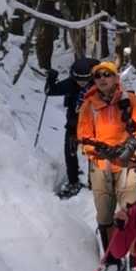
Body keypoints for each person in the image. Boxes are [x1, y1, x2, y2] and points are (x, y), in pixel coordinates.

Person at [76, 59, 136, 271]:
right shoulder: (89, 106)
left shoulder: (130, 100)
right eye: (98, 75)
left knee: (131, 213)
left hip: (127, 165)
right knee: (105, 215)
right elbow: (83, 138)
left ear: (116, 78)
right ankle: (113, 259)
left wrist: (133, 143)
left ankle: (135, 261)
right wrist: (101, 150)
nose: (102, 79)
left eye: (107, 74)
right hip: (100, 166)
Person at [45, 54, 99, 197]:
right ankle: (73, 181)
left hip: (94, 125)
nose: (81, 83)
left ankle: (94, 183)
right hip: (73, 124)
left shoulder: (99, 83)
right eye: (78, 80)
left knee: (94, 153)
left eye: (85, 80)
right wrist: (51, 78)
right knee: (70, 152)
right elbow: (50, 91)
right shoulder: (71, 83)